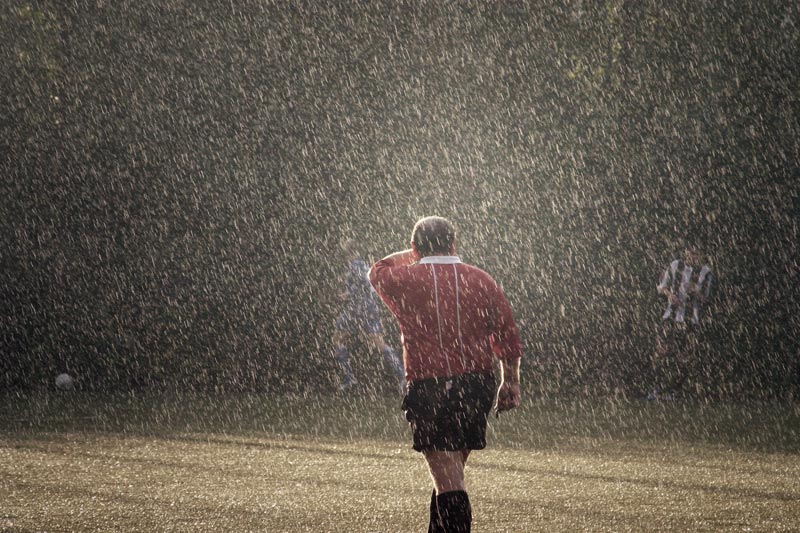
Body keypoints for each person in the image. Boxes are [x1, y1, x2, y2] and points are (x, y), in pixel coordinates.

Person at [369, 216, 522, 532]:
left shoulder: (406, 280)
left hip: (430, 386)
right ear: (454, 243)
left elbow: (377, 270)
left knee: (447, 477)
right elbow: (506, 334)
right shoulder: (481, 279)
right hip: (476, 384)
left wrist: (413, 255)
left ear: (415, 247)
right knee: (449, 472)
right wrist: (511, 381)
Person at [332, 239, 405, 393]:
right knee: (379, 342)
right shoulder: (362, 265)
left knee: (338, 338)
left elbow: (363, 285)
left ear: (347, 254)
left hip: (358, 309)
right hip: (369, 308)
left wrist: (348, 293)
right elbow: (368, 284)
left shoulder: (355, 266)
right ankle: (401, 375)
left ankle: (348, 377)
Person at [650, 245, 714, 400]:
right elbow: (661, 286)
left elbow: (707, 299)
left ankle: (673, 391)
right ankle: (656, 388)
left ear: (701, 254)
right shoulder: (675, 265)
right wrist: (669, 295)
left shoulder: (706, 272)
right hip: (671, 317)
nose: (693, 255)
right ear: (686, 252)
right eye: (690, 252)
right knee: (661, 351)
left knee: (684, 357)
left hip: (690, 320)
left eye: (696, 253)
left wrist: (696, 292)